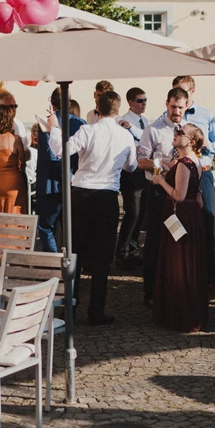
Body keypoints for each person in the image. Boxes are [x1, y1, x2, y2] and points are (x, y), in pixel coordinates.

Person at [45, 89, 137, 325]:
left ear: (98, 108)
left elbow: (60, 150)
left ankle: (70, 308)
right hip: (107, 197)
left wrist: (54, 128)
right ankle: (96, 310)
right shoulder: (125, 136)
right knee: (102, 257)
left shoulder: (88, 129)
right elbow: (132, 167)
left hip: (82, 195)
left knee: (74, 252)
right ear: (117, 111)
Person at [150, 123, 210, 332]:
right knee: (187, 264)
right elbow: (194, 189)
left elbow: (179, 195)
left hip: (181, 214)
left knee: (179, 264)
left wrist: (159, 180)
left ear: (191, 141)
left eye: (181, 133)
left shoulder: (185, 163)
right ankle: (190, 310)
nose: (176, 135)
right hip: (191, 215)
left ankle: (182, 314)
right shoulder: (194, 161)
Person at [171, 75, 215, 293]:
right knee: (179, 227)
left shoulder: (206, 114)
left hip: (203, 172)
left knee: (206, 222)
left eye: (182, 91)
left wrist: (206, 144)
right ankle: (183, 277)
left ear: (192, 92)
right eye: (174, 92)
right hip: (180, 173)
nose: (178, 97)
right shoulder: (169, 118)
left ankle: (209, 280)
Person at [138, 87, 189, 305]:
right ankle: (151, 292)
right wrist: (163, 166)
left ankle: (176, 288)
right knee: (155, 241)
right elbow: (140, 161)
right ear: (166, 104)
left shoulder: (189, 130)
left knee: (178, 240)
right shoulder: (154, 129)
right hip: (159, 190)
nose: (176, 111)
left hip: (183, 192)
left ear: (187, 106)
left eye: (180, 107)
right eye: (173, 106)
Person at [34, 89, 84, 253]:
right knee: (72, 229)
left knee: (47, 228)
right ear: (69, 102)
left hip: (51, 185)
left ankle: (54, 266)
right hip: (75, 182)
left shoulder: (48, 122)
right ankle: (73, 267)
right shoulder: (81, 123)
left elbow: (50, 156)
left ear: (51, 101)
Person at [115, 87, 150, 267]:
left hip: (145, 168)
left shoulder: (145, 120)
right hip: (130, 170)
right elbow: (140, 138)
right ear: (130, 102)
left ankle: (134, 249)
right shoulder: (123, 121)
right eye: (140, 100)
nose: (143, 103)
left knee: (141, 212)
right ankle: (122, 251)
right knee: (133, 212)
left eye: (145, 100)